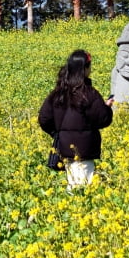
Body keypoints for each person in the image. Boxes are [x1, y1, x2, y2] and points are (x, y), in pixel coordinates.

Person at [39, 50, 114, 188]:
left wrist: (58, 133)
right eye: (89, 66)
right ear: (84, 69)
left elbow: (44, 118)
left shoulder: (58, 93)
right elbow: (103, 119)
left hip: (64, 149)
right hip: (84, 150)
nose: (90, 70)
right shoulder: (89, 93)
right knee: (83, 186)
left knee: (73, 181)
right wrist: (107, 107)